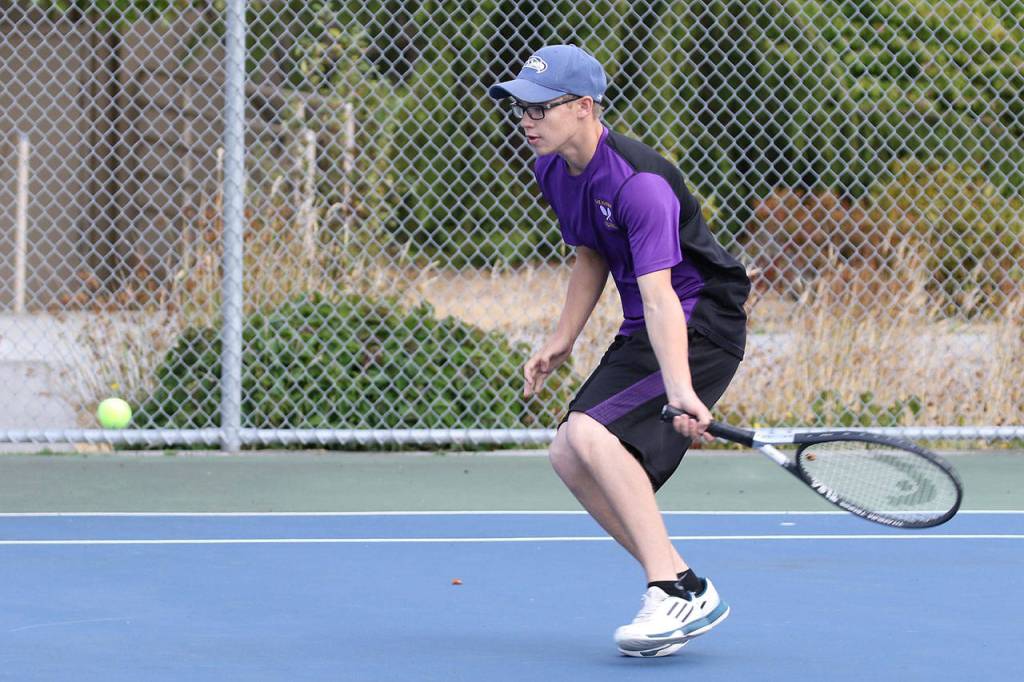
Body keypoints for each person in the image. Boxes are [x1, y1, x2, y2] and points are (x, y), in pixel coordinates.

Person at [488, 45, 751, 657]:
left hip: (700, 323)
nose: (526, 120)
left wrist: (681, 390)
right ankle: (684, 585)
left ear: (583, 108)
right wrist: (561, 340)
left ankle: (669, 589)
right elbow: (591, 254)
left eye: (539, 108)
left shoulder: (641, 184)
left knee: (590, 434)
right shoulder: (551, 167)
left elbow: (662, 298)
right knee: (567, 452)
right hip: (650, 324)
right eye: (518, 108)